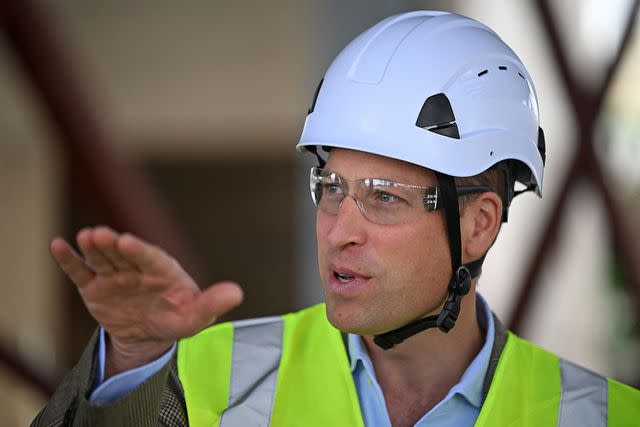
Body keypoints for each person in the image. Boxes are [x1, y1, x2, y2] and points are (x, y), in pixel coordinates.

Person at [32, 10, 639, 427]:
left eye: (382, 197)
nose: (337, 230)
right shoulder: (194, 375)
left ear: (479, 224)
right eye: (330, 188)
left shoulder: (603, 417)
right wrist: (133, 361)